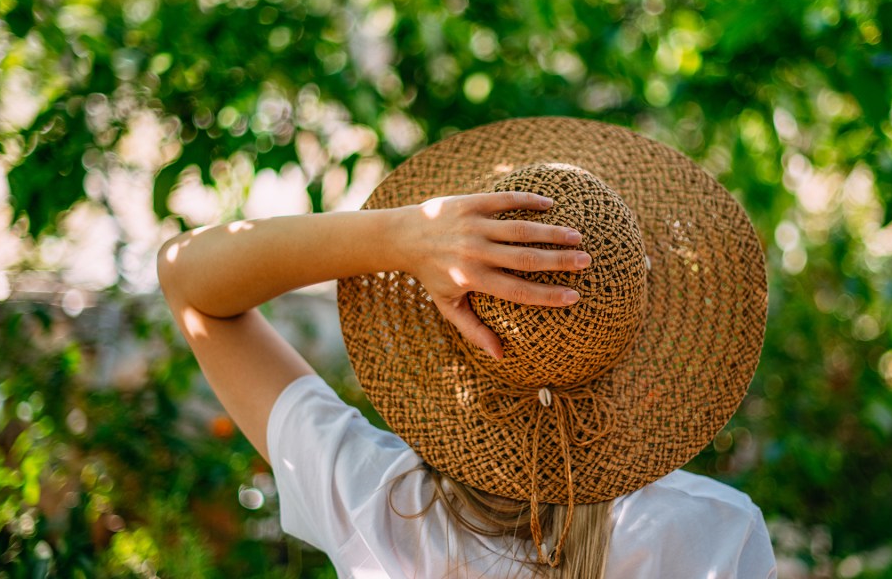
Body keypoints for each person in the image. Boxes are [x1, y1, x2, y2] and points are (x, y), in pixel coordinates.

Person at [157, 116, 776, 578]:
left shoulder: (382, 504)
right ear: (646, 326)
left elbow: (187, 276)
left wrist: (405, 234)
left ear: (452, 322)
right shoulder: (717, 534)